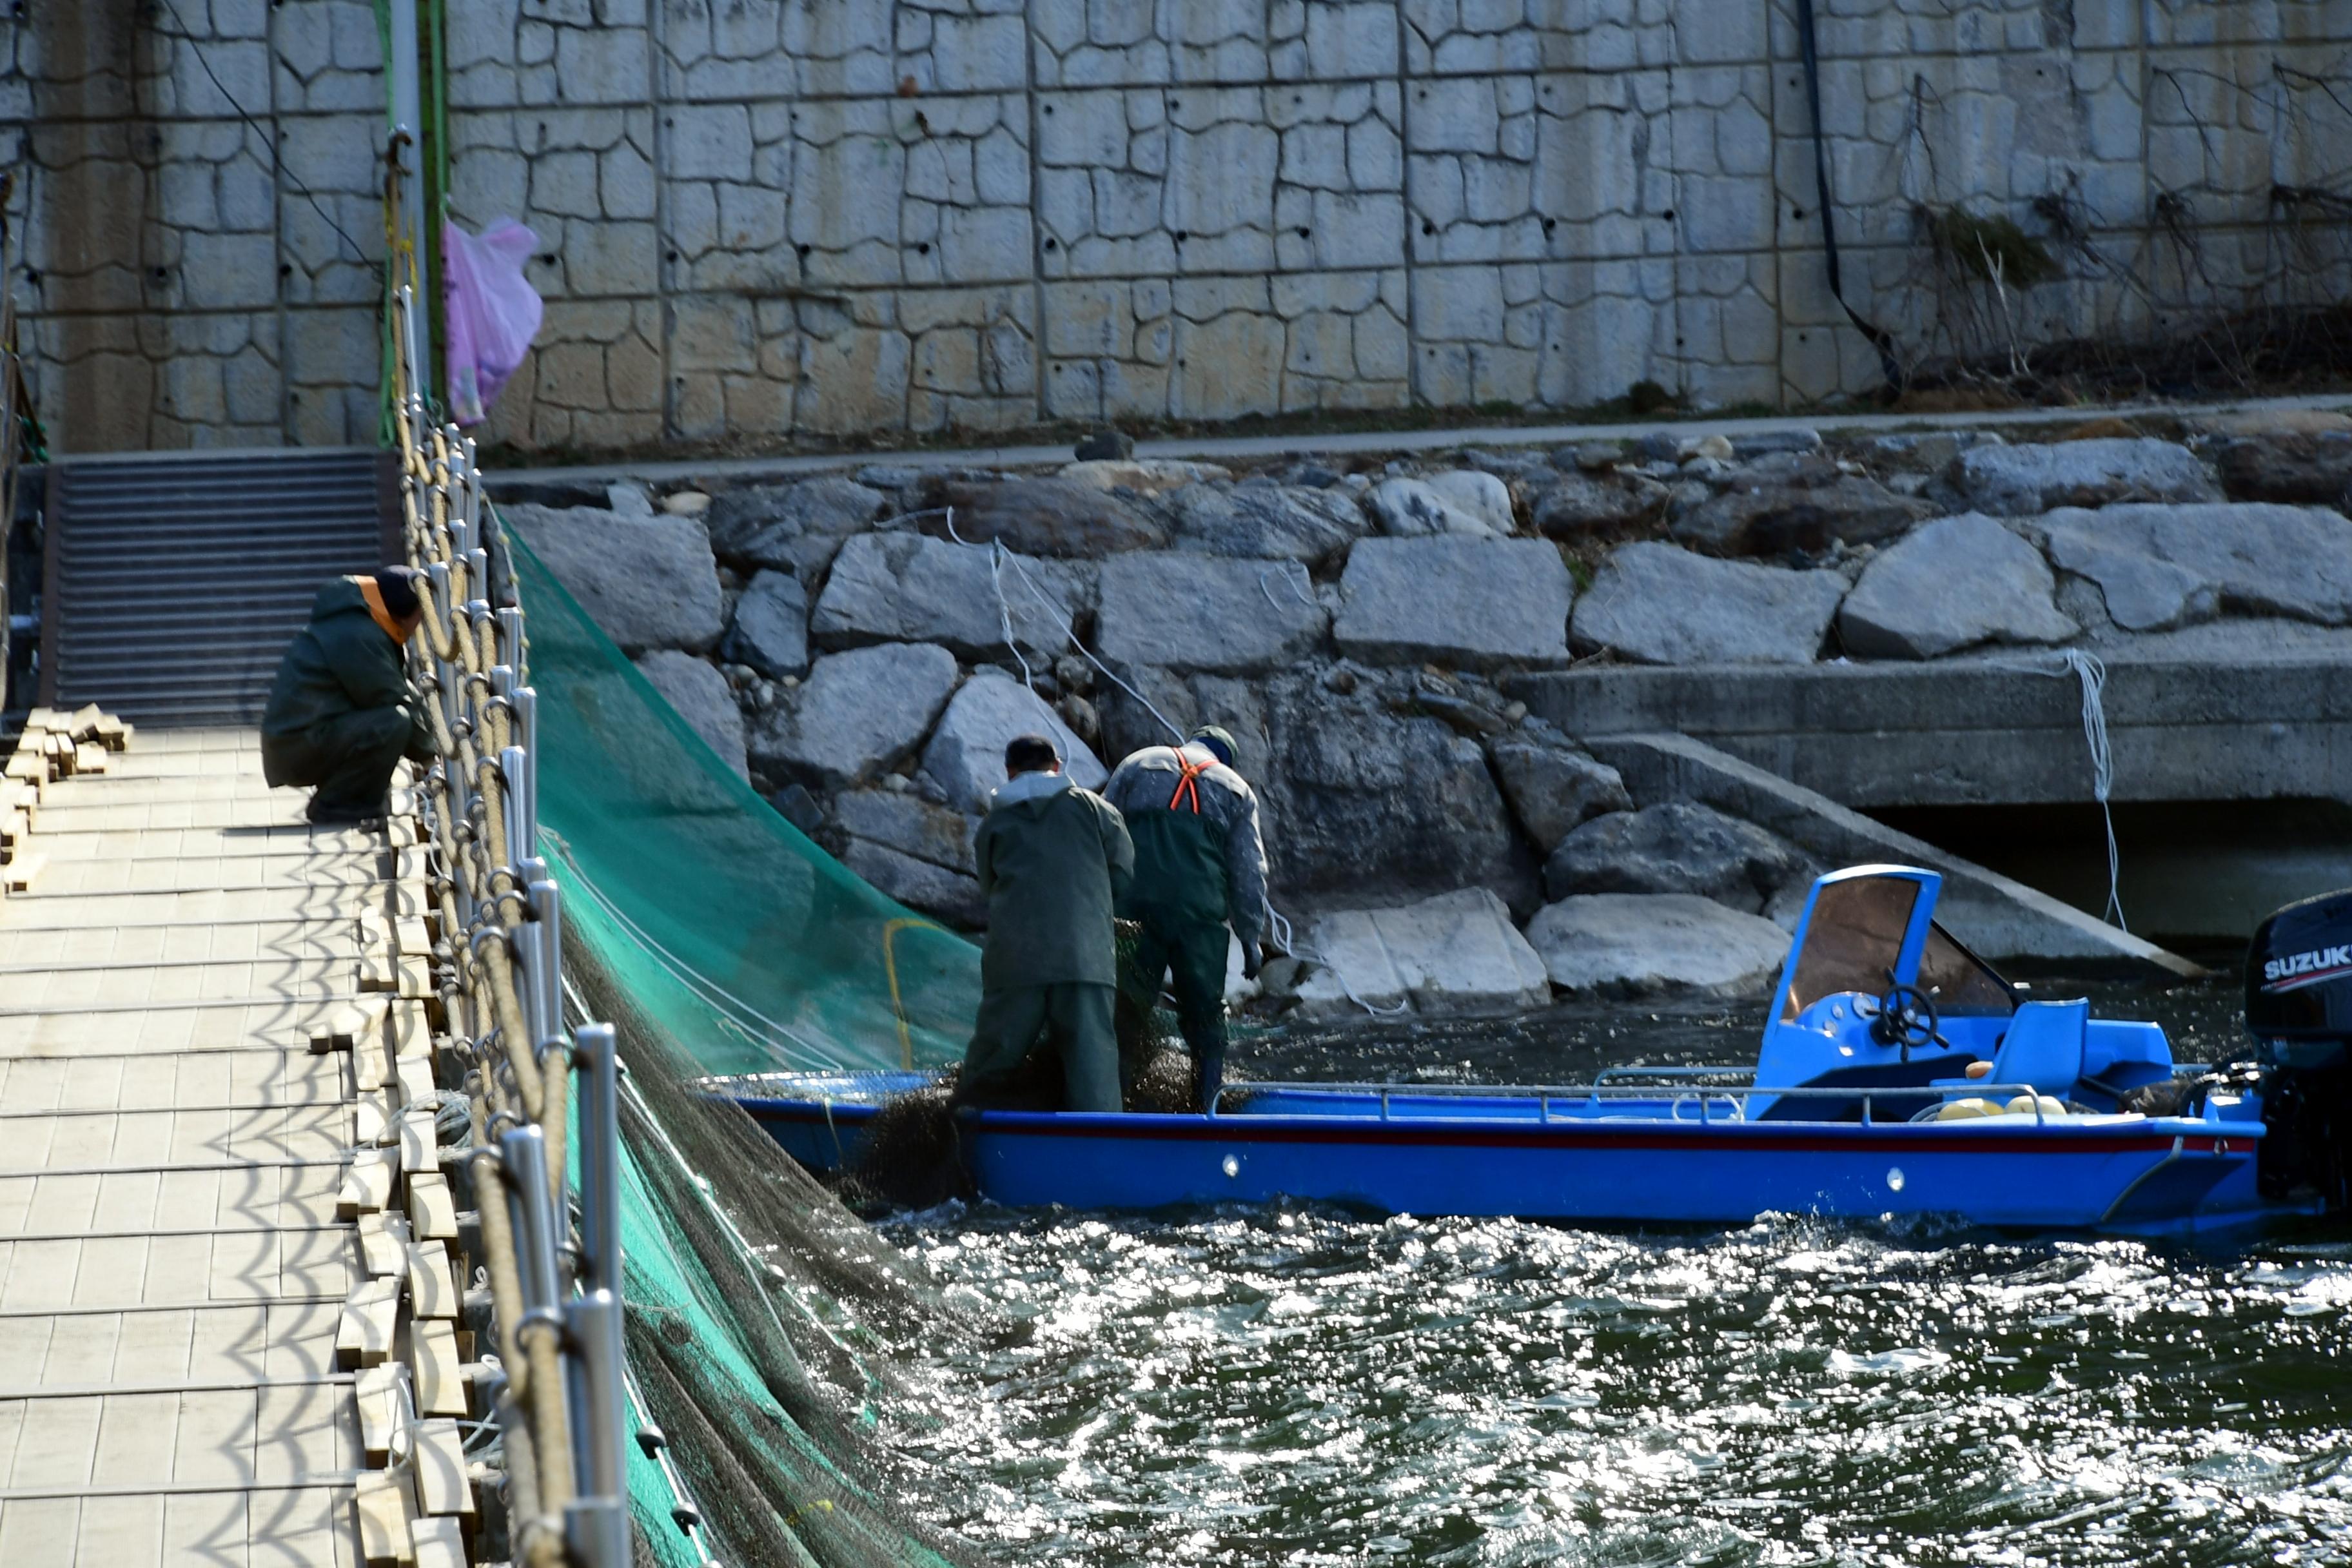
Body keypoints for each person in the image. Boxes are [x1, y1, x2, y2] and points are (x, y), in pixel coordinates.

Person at [954, 733, 1134, 1113]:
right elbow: (1121, 874)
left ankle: (965, 1142)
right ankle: (1098, 1157)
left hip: (1015, 965)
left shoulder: (994, 823)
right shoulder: (1096, 809)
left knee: (991, 1063)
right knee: (1094, 1074)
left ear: (1009, 772)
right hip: (1086, 960)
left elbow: (989, 889)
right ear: (1057, 767)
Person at [1104, 725, 1269, 1107]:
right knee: (1207, 1017)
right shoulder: (1236, 789)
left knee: (1123, 1010)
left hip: (1133, 914)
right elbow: (1249, 872)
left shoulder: (1137, 763)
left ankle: (1111, 1108)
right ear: (1224, 758)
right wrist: (1249, 938)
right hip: (1199, 922)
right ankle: (1207, 1108)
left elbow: (1102, 832)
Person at [260, 569, 435, 827]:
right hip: (298, 747)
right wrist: (432, 761)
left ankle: (343, 800)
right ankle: (338, 806)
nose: (419, 626)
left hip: (300, 740)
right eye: (421, 617)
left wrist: (432, 747)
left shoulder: (359, 622)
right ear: (405, 613)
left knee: (395, 717)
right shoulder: (360, 634)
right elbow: (388, 695)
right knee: (393, 722)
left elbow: (399, 688)